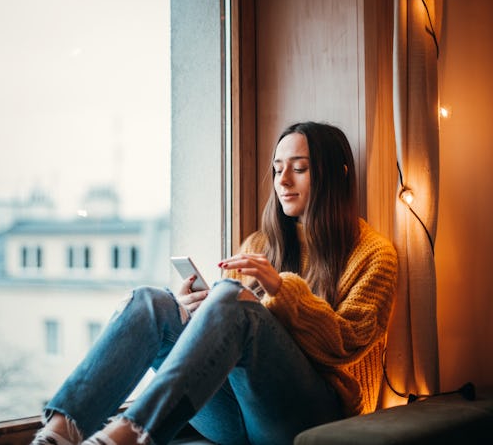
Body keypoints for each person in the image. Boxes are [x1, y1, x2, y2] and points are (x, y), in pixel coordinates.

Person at [32, 122, 398, 445]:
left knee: (233, 298)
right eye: (277, 169)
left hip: (312, 416)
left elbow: (348, 344)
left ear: (337, 174)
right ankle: (59, 433)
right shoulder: (260, 245)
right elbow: (222, 340)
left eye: (299, 169)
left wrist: (281, 292)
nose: (282, 181)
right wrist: (191, 316)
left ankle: (131, 436)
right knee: (153, 302)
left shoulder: (373, 255)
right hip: (234, 416)